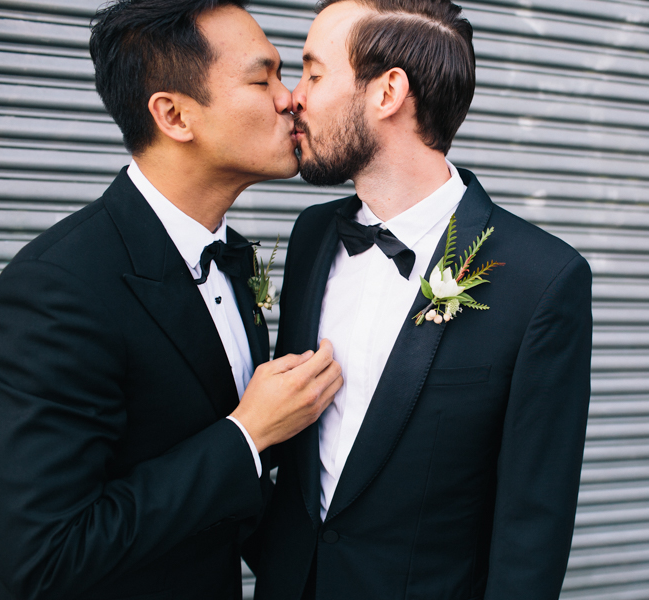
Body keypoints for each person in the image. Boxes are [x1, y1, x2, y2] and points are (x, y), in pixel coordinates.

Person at [0, 1, 343, 599]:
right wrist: (246, 435)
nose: (291, 100)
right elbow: (46, 556)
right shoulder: (55, 290)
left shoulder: (228, 259)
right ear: (175, 115)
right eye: (264, 79)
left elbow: (234, 502)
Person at [248, 0, 593, 598]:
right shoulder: (312, 238)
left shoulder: (542, 279)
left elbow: (532, 528)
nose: (292, 97)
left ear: (387, 93)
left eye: (314, 72)